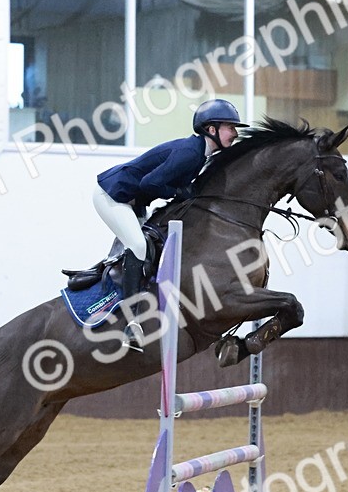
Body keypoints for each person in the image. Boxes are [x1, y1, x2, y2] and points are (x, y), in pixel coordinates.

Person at [93, 98, 246, 351]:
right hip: (112, 195)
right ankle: (131, 324)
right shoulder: (191, 153)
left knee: (147, 248)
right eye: (230, 127)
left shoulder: (199, 154)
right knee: (138, 247)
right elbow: (149, 184)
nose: (235, 133)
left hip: (132, 201)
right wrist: (178, 191)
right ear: (211, 129)